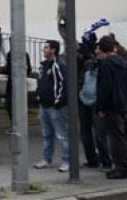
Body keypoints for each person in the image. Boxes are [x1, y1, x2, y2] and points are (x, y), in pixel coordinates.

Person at [96, 36, 127, 179]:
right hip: (123, 102)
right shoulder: (122, 62)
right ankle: (123, 166)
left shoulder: (106, 64)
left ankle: (121, 168)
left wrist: (101, 107)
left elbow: (105, 88)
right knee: (120, 136)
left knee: (115, 138)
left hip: (112, 104)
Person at [34, 40, 70, 172]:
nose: (43, 50)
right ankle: (46, 159)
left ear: (53, 50)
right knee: (47, 134)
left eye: (46, 48)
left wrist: (58, 102)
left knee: (62, 135)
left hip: (56, 107)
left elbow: (63, 84)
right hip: (44, 105)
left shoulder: (59, 65)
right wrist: (39, 96)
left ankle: (67, 161)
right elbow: (41, 82)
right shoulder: (44, 66)